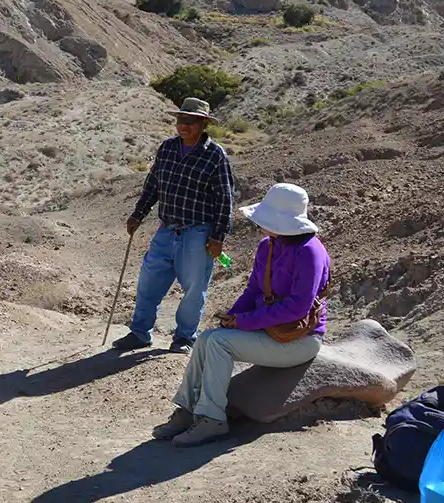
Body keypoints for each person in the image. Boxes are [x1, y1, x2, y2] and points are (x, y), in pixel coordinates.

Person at [153, 183, 331, 447]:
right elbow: (255, 290)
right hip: (270, 329)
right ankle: (188, 410)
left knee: (219, 343)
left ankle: (212, 419)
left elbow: (298, 308)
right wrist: (233, 316)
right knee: (206, 338)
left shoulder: (310, 252)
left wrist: (244, 322)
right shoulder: (268, 246)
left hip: (299, 339)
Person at [112, 97, 235, 355]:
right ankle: (139, 333)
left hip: (197, 232)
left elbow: (224, 199)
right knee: (148, 282)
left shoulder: (215, 156)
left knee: (193, 290)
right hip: (166, 229)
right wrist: (138, 214)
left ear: (203, 124)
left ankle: (184, 337)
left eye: (191, 121)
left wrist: (218, 237)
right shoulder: (167, 148)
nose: (184, 125)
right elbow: (153, 185)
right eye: (181, 120)